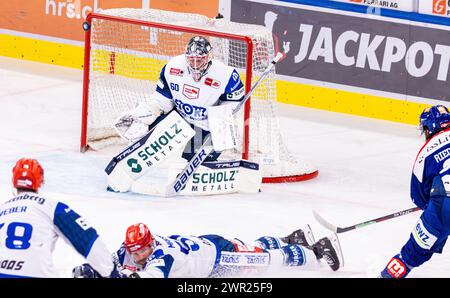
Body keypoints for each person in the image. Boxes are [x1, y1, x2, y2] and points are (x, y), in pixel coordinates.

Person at [113, 35, 246, 162]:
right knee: (151, 140)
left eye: (199, 60)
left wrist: (219, 121)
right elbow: (163, 99)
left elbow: (233, 102)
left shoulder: (225, 74)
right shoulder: (173, 67)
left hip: (205, 125)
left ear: (208, 57)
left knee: (193, 158)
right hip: (179, 119)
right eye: (190, 59)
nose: (194, 64)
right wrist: (147, 113)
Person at [72, 222, 343, 278]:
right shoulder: (128, 250)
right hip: (204, 246)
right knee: (252, 247)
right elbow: (110, 263)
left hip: (217, 257)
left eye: (141, 250)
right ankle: (292, 237)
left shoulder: (161, 257)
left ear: (150, 244)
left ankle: (318, 251)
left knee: (265, 261)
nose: (137, 255)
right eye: (134, 251)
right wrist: (91, 269)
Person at [0, 158, 121, 278]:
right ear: (40, 181)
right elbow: (87, 238)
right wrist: (110, 271)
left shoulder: (2, 210)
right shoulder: (51, 207)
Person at [380, 105, 450, 278]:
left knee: (409, 256)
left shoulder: (425, 153)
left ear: (428, 128)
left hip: (444, 207)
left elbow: (418, 197)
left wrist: (430, 206)